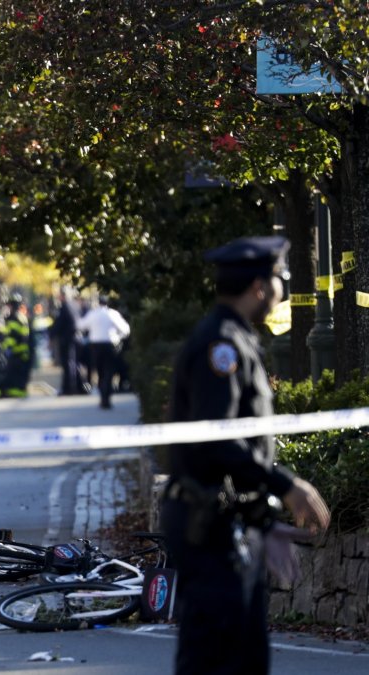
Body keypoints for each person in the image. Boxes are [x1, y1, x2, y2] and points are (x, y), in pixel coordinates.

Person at [160, 236, 330, 675]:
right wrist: (287, 485)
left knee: (245, 656)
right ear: (259, 286)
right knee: (216, 659)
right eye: (279, 280)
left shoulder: (235, 339)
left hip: (229, 521)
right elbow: (219, 440)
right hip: (209, 525)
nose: (281, 290)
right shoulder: (221, 345)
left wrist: (261, 519)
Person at [79, 295, 130, 409]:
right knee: (109, 371)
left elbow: (81, 325)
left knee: (100, 372)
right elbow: (126, 329)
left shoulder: (93, 314)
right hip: (110, 345)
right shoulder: (112, 314)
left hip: (96, 346)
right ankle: (107, 397)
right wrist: (118, 337)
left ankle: (103, 397)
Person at [49, 289, 83, 396]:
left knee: (67, 364)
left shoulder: (65, 307)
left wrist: (51, 334)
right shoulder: (75, 306)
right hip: (75, 339)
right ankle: (77, 386)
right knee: (73, 363)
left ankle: (68, 388)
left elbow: (59, 324)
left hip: (67, 340)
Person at [0, 294, 31, 398]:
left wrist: (5, 347)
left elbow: (12, 336)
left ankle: (14, 392)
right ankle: (17, 391)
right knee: (17, 374)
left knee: (14, 374)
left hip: (17, 352)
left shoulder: (13, 318)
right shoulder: (21, 317)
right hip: (21, 352)